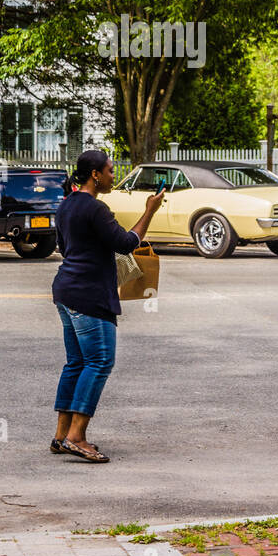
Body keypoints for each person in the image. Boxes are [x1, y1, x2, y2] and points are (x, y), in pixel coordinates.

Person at [50, 148, 164, 463]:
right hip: (88, 295)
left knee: (76, 363)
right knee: (99, 361)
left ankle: (61, 436)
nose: (114, 176)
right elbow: (127, 242)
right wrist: (150, 211)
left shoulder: (67, 206)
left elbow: (65, 247)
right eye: (111, 171)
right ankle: (76, 436)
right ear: (95, 175)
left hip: (65, 290)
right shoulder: (96, 209)